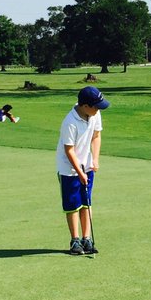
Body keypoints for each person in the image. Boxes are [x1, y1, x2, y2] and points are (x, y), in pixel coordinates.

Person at [56, 85, 110, 255]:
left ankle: (87, 239)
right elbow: (69, 150)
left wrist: (94, 159)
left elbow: (96, 136)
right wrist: (79, 173)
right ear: (85, 106)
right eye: (96, 106)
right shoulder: (70, 122)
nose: (99, 110)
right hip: (68, 168)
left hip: (86, 164)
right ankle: (75, 241)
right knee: (73, 205)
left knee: (86, 202)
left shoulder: (95, 113)